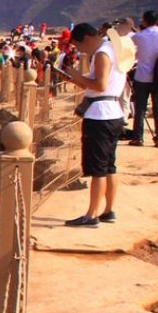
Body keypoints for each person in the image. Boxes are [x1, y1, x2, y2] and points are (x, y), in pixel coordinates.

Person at [59, 23, 125, 227]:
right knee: (109, 166)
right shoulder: (114, 50)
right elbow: (97, 86)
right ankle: (108, 210)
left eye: (79, 46)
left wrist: (78, 76)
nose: (81, 51)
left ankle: (91, 215)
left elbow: (100, 85)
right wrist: (75, 79)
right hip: (113, 112)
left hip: (100, 116)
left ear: (87, 39)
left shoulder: (102, 54)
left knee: (97, 169)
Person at [129, 10, 158, 147]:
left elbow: (129, 46)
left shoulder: (139, 36)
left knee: (140, 108)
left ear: (144, 21)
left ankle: (138, 138)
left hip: (142, 76)